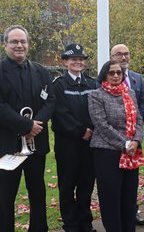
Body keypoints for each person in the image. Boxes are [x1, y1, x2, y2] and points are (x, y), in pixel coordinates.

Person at [0, 25, 55, 232]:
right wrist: (26, 125)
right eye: (14, 41)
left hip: (35, 145)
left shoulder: (41, 70)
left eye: (23, 41)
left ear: (28, 44)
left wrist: (35, 126)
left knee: (38, 193)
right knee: (5, 197)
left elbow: (50, 100)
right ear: (5, 44)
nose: (19, 45)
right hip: (7, 147)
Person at [88, 60, 144, 232]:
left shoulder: (130, 93)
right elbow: (102, 125)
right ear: (104, 74)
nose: (115, 76)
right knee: (110, 198)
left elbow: (139, 120)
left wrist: (136, 141)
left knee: (129, 197)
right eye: (111, 73)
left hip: (131, 151)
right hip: (107, 152)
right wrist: (125, 144)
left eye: (119, 73)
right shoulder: (96, 95)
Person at [51, 43, 97, 232]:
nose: (77, 62)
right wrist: (82, 131)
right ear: (65, 61)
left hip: (89, 145)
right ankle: (70, 225)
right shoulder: (58, 85)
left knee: (86, 185)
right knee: (67, 185)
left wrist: (92, 130)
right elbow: (60, 114)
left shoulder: (92, 83)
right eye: (73, 59)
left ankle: (85, 223)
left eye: (81, 59)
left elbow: (96, 110)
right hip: (68, 145)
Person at [110, 44, 144, 226]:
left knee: (133, 179)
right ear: (112, 56)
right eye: (119, 54)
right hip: (113, 140)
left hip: (134, 139)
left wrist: (136, 132)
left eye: (126, 54)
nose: (123, 57)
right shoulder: (105, 80)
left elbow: (143, 105)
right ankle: (119, 214)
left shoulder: (138, 79)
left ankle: (133, 211)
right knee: (116, 181)